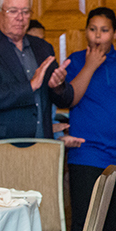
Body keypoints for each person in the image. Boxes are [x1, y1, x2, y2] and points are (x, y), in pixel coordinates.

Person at [0, 0, 73, 164]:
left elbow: (64, 100)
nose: (20, 18)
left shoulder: (42, 47)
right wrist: (30, 86)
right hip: (0, 151)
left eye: (26, 11)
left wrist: (58, 86)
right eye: (13, 11)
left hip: (42, 150)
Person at [65, 7, 116, 231]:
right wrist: (90, 65)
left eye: (104, 30)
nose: (98, 36)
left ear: (115, 33)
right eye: (93, 29)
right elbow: (70, 99)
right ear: (85, 31)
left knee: (112, 223)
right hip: (85, 155)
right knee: (85, 222)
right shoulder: (75, 60)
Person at [25, 19, 84, 148]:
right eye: (34, 40)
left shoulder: (49, 75)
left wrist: (60, 138)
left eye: (43, 39)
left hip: (44, 150)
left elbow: (50, 119)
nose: (39, 45)